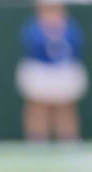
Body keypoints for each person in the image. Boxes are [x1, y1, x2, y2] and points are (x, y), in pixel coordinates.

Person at [16, 0, 87, 142]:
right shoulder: (32, 28)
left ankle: (69, 142)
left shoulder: (71, 28)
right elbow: (31, 45)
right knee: (37, 108)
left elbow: (77, 47)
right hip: (40, 71)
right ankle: (37, 141)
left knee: (65, 108)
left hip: (64, 71)